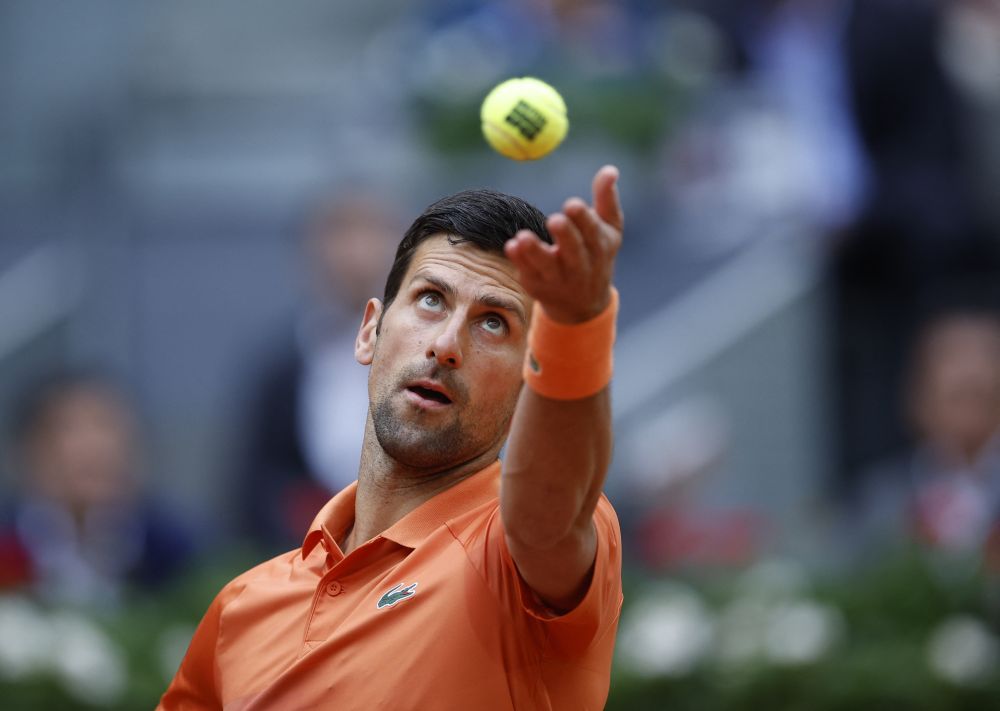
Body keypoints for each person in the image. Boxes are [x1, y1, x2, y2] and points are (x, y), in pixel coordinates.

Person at [160, 165, 625, 709]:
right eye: (431, 299)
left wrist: (577, 327)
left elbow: (550, 512)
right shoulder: (241, 610)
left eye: (494, 322)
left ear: (532, 376)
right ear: (369, 331)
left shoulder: (515, 553)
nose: (447, 344)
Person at [235, 189, 400, 553]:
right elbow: (256, 481)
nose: (356, 253)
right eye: (340, 233)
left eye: (372, 232)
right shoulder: (281, 365)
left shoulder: (433, 353)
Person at [0, 369, 195, 606]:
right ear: (30, 449)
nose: (95, 447)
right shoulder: (8, 539)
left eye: (108, 427)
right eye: (68, 429)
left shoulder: (175, 549)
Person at [850, 311, 1000, 558]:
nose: (969, 368)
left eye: (979, 396)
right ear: (920, 400)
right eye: (957, 397)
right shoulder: (881, 499)